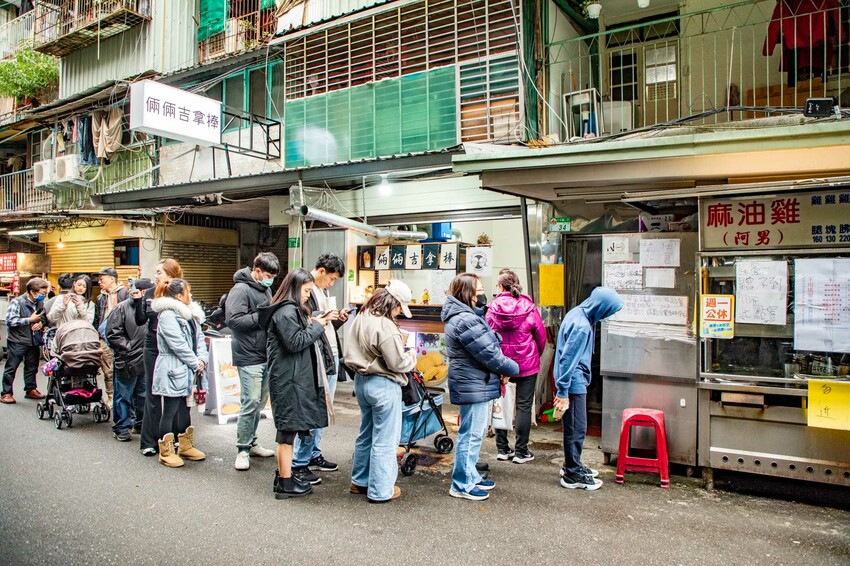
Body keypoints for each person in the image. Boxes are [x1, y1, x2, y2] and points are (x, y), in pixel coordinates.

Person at [441, 273, 519, 501]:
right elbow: (489, 353)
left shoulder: (465, 316)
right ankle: (462, 484)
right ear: (467, 293)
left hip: (476, 382)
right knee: (471, 435)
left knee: (475, 433)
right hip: (473, 383)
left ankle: (471, 476)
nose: (482, 294)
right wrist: (513, 368)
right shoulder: (465, 319)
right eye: (479, 290)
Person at [260, 268, 335, 499]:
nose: (307, 295)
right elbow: (295, 342)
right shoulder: (285, 312)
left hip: (290, 378)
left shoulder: (289, 310)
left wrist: (314, 322)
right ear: (294, 288)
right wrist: (317, 325)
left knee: (288, 431)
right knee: (286, 432)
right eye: (306, 291)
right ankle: (285, 482)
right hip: (288, 380)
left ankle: (284, 476)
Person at [345, 282, 417, 503]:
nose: (398, 312)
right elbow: (397, 362)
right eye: (399, 308)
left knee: (366, 433)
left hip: (361, 382)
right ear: (393, 303)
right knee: (386, 439)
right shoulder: (385, 326)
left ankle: (359, 481)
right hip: (383, 385)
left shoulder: (361, 316)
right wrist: (412, 353)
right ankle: (380, 490)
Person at [554, 287, 623, 491]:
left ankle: (572, 465)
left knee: (575, 427)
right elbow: (568, 360)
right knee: (577, 428)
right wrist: (563, 391)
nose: (609, 315)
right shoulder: (582, 326)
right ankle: (572, 474)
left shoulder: (577, 313)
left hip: (573, 381)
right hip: (574, 383)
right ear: (602, 307)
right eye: (609, 311)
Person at [290, 253, 350, 485]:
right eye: (332, 278)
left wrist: (337, 318)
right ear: (321, 271)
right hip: (315, 357)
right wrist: (321, 317)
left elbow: (323, 324)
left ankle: (312, 453)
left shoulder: (322, 291)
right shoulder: (305, 290)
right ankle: (299, 462)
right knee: (314, 410)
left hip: (328, 354)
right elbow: (304, 323)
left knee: (323, 411)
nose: (332, 284)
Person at [485, 269, 546, 464]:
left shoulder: (492, 307)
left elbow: (487, 336)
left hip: (501, 364)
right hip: (527, 364)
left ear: (501, 286)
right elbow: (541, 337)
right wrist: (535, 354)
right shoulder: (529, 306)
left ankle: (502, 449)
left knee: (500, 405)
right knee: (523, 406)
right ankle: (521, 452)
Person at [227, 252, 281, 471]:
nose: (270, 280)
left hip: (265, 353)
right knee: (250, 402)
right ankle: (242, 449)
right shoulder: (240, 289)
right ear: (257, 271)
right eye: (268, 275)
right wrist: (263, 316)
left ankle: (252, 441)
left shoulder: (264, 288)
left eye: (273, 277)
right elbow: (233, 320)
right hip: (248, 355)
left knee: (259, 403)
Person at [151, 278, 208, 468]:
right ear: (177, 295)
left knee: (185, 408)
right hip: (172, 367)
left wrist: (201, 359)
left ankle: (185, 446)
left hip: (188, 368)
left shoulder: (190, 314)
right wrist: (195, 361)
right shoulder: (167, 315)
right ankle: (166, 451)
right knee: (170, 410)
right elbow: (177, 344)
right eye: (187, 292)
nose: (190, 295)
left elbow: (199, 339)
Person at [133, 259, 183, 456]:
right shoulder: (148, 293)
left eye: (159, 272)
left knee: (176, 394)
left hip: (175, 348)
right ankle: (149, 441)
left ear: (171, 274)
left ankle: (175, 437)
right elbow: (140, 320)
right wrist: (137, 301)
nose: (155, 276)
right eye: (155, 272)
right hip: (153, 346)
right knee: (152, 393)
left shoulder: (182, 290)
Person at [106, 280, 151, 442]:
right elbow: (112, 334)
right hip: (127, 359)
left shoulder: (150, 308)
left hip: (145, 358)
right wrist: (129, 347)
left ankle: (139, 423)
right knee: (123, 395)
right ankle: (121, 428)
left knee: (143, 395)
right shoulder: (121, 308)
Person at [1, 278, 49, 404]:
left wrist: (40, 323)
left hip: (33, 340)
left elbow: (43, 318)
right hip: (17, 340)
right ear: (32, 292)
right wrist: (29, 320)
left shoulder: (40, 303)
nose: (44, 296)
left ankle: (31, 389)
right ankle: (6, 393)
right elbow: (10, 321)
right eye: (42, 293)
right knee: (11, 367)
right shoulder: (17, 302)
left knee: (32, 367)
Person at [95, 267, 129, 407]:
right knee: (108, 369)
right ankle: (111, 397)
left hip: (121, 338)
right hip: (104, 337)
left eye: (102, 279)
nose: (99, 282)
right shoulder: (100, 297)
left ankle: (122, 399)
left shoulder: (124, 293)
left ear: (112, 279)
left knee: (122, 370)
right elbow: (98, 318)